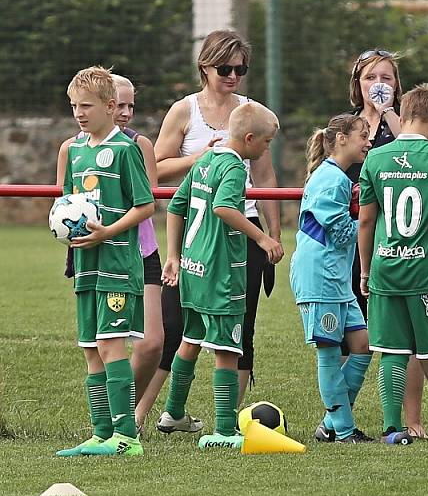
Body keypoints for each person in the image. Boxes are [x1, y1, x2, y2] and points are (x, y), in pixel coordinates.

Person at [141, 30, 283, 431]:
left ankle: (227, 423)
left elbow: (266, 177)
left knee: (241, 329)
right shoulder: (184, 111)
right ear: (205, 66)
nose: (233, 75)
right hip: (201, 238)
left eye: (241, 69)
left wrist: (272, 233)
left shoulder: (253, 113)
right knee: (174, 328)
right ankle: (141, 416)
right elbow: (157, 167)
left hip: (245, 232)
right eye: (225, 68)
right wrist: (205, 157)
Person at [159, 102, 279, 449]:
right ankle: (225, 431)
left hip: (194, 267)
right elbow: (224, 207)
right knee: (228, 347)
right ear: (250, 138)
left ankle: (174, 412)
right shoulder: (234, 167)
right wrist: (261, 237)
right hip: (221, 272)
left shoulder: (205, 160)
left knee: (192, 338)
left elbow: (177, 206)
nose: (266, 149)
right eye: (267, 143)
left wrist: (174, 256)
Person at [56, 74, 164, 432]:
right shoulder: (74, 150)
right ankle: (101, 434)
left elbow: (145, 206)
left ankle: (125, 434)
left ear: (109, 107)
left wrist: (108, 231)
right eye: (74, 106)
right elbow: (69, 203)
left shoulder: (125, 150)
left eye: (86, 106)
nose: (79, 113)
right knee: (90, 348)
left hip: (118, 263)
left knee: (110, 345)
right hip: (86, 264)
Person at [358, 83, 428, 443]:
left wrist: (365, 270)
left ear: (402, 118)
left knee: (392, 351)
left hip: (386, 269)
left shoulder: (375, 158)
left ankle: (392, 427)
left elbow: (366, 221)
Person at [345, 49, 428, 440]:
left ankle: (412, 417)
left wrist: (388, 116)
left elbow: (414, 154)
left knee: (408, 337)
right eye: (371, 78)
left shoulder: (402, 127)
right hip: (351, 243)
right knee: (353, 334)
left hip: (400, 247)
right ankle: (340, 416)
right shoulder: (345, 126)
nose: (379, 85)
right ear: (358, 84)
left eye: (386, 78)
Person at [290, 114, 374, 443]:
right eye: (362, 135)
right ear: (341, 138)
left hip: (336, 279)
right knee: (328, 352)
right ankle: (342, 429)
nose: (367, 142)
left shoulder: (337, 177)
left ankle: (332, 422)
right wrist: (371, 220)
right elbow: (340, 234)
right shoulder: (331, 179)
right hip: (320, 276)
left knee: (364, 345)